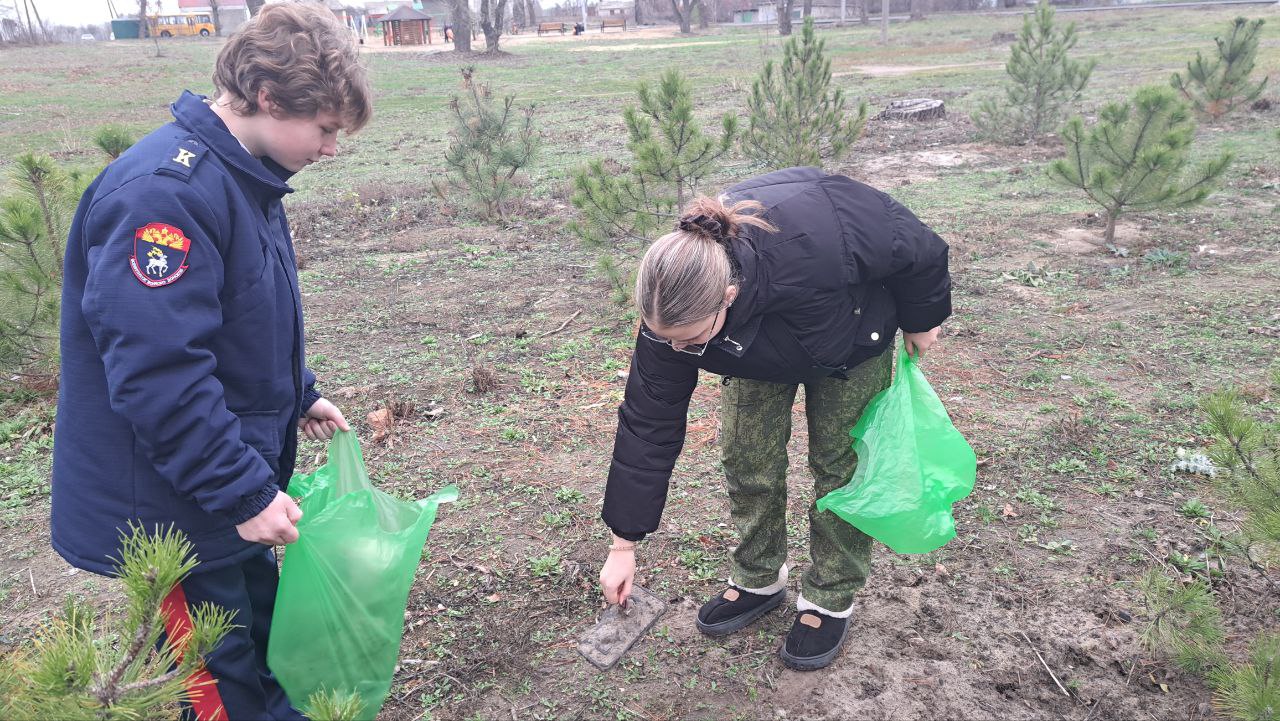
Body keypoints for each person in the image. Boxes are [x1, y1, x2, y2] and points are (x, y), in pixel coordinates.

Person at [51, 4, 372, 718]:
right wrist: (242, 492)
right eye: (324, 129)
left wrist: (299, 395)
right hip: (175, 512)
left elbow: (238, 320)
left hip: (226, 493)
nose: (329, 149)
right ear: (266, 97)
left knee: (262, 649)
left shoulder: (241, 175)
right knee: (218, 690)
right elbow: (158, 372)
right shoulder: (165, 195)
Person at [597, 166, 952, 671]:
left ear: (727, 296)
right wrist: (623, 542)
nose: (677, 350)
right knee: (747, 459)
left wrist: (923, 318)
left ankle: (829, 595)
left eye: (691, 341)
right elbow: (647, 426)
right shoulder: (672, 315)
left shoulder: (820, 235)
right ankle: (758, 577)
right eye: (667, 338)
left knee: (840, 470)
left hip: (849, 338)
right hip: (751, 351)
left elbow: (919, 248)